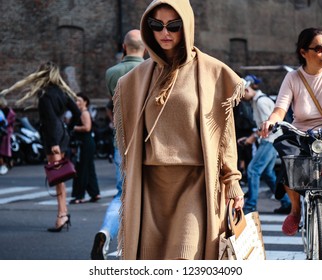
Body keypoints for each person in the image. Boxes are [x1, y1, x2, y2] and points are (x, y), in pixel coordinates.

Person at [113, 0, 244, 260]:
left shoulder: (212, 72)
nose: (165, 32)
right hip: (150, 186)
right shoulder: (134, 79)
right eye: (156, 25)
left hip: (194, 183)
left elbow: (224, 135)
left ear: (187, 26)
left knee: (186, 259)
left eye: (173, 25)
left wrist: (233, 181)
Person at [261, 27, 322, 236]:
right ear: (303, 52)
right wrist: (271, 122)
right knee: (286, 152)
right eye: (319, 48)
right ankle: (295, 209)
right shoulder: (293, 78)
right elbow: (280, 108)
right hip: (301, 135)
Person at [0, 61, 81, 232]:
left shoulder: (45, 96)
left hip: (53, 138)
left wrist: (53, 143)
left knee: (58, 177)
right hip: (61, 134)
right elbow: (77, 113)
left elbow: (50, 121)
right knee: (60, 176)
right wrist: (69, 129)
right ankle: (63, 212)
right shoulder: (62, 93)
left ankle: (62, 214)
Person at [90, 29, 145, 260]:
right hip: (145, 140)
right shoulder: (151, 70)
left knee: (122, 194)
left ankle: (106, 231)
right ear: (146, 47)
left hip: (121, 140)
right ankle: (136, 245)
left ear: (124, 47)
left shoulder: (112, 73)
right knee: (148, 194)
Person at [240, 77, 291, 214]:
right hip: (271, 141)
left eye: (241, 94)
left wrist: (252, 137)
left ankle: (250, 205)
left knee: (253, 170)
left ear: (247, 89)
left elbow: (267, 126)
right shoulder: (258, 101)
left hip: (269, 141)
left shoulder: (261, 102)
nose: (241, 98)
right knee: (268, 174)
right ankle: (286, 203)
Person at [70, 93, 101, 204]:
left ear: (85, 102)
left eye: (79, 100)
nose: (76, 103)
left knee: (81, 169)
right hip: (85, 143)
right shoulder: (81, 113)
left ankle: (79, 196)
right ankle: (94, 193)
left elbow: (87, 128)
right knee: (88, 168)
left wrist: (74, 127)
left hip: (85, 143)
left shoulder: (84, 113)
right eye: (76, 100)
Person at [0, 97, 16, 174]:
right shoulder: (5, 111)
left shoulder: (8, 111)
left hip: (6, 132)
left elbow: (10, 121)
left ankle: (6, 164)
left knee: (5, 149)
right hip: (4, 131)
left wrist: (5, 123)